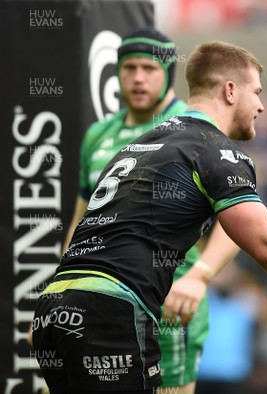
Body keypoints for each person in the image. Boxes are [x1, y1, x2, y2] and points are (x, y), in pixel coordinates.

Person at [32, 41, 267, 394]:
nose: (262, 106)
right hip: (110, 314)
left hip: (53, 311)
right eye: (257, 93)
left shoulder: (142, 143)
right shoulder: (217, 151)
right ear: (230, 91)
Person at [57, 27, 241, 394]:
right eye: (129, 68)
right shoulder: (98, 136)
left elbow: (239, 220)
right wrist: (57, 293)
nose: (138, 78)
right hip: (99, 302)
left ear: (169, 73)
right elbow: (80, 221)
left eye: (150, 68)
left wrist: (199, 276)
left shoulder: (196, 128)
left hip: (169, 307)